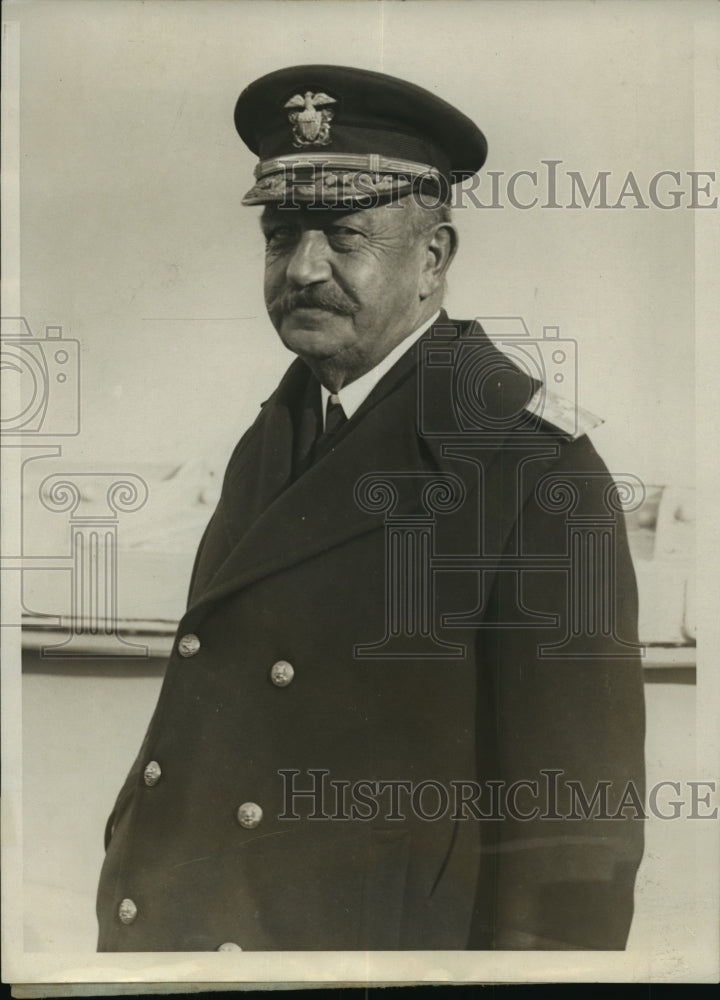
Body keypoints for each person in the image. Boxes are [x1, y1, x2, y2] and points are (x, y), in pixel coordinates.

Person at [96, 64, 645, 952]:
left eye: (343, 236)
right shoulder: (278, 432)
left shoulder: (535, 471)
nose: (302, 268)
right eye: (281, 236)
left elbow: (577, 844)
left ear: (433, 259)